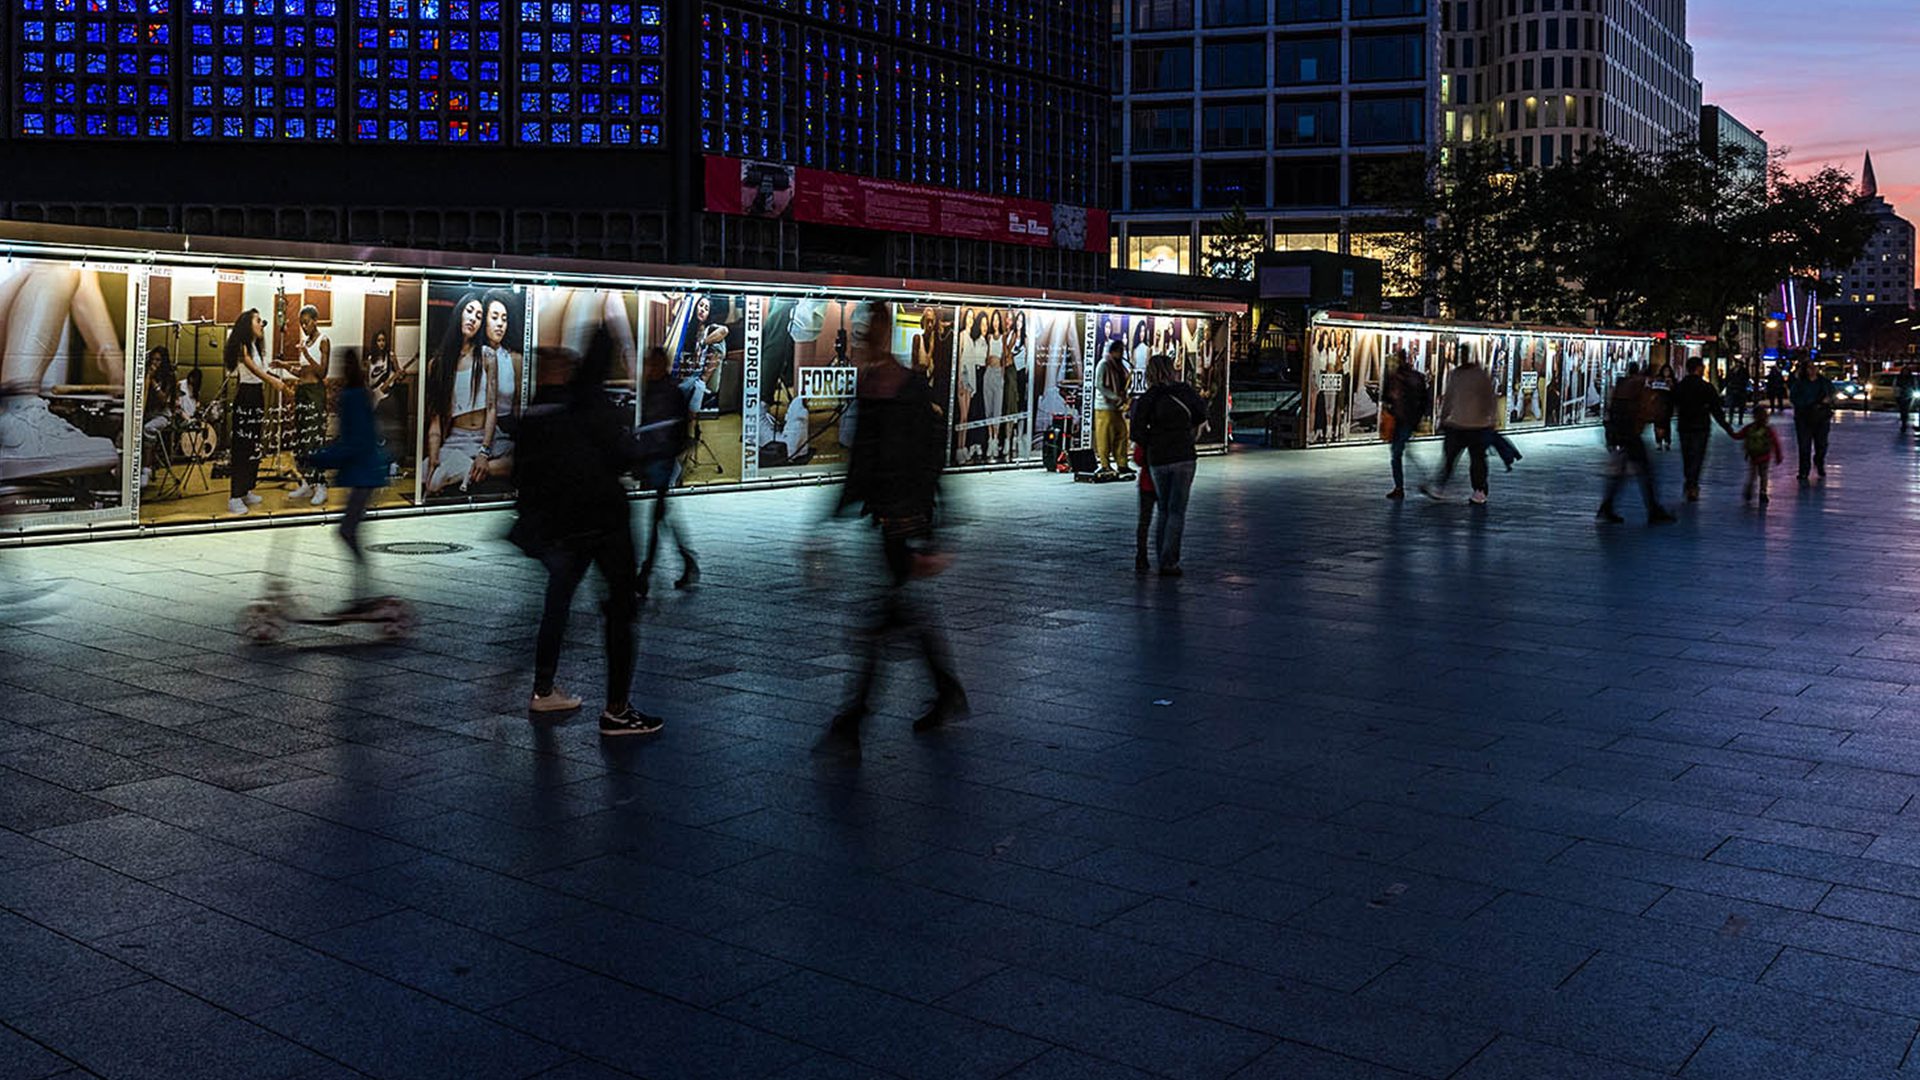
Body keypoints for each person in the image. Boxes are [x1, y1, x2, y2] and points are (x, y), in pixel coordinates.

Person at [817, 301, 964, 755]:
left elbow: (929, 464)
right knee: (905, 617)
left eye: (861, 336)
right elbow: (862, 462)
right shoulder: (874, 387)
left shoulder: (908, 388)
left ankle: (853, 719)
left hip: (907, 522)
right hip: (887, 521)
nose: (856, 345)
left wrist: (933, 535)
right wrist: (829, 519)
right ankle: (944, 692)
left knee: (883, 624)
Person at [511, 331, 660, 736]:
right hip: (606, 523)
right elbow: (622, 453)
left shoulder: (557, 406)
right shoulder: (595, 403)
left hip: (569, 524)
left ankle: (544, 687)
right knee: (619, 611)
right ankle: (617, 709)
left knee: (557, 602)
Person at [307, 348, 389, 613]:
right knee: (349, 532)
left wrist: (319, 458)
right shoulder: (361, 394)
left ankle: (362, 594)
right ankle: (362, 593)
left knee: (347, 531)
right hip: (367, 473)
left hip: (363, 474)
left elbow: (352, 443)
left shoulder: (351, 397)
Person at [1130, 353, 1208, 576]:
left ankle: (1160, 556)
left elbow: (1136, 431)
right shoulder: (1184, 391)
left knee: (1164, 509)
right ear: (1171, 369)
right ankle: (1169, 561)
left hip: (1159, 459)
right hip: (1183, 455)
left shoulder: (1148, 398)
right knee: (1177, 511)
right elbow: (1201, 413)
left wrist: (1152, 442)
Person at [635, 345, 698, 596]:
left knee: (658, 517)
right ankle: (686, 561)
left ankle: (646, 573)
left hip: (662, 459)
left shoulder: (668, 392)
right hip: (657, 458)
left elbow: (674, 429)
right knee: (662, 518)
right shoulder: (658, 390)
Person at [423, 292, 498, 496]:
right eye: (470, 311)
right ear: (459, 314)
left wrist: (484, 450)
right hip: (457, 439)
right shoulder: (437, 364)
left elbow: (492, 408)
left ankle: (477, 466)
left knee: (510, 460)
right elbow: (435, 420)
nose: (473, 318)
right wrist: (434, 458)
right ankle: (468, 469)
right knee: (430, 479)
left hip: (484, 436)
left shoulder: (486, 356)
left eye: (479, 316)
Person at [225, 308, 290, 516]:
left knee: (254, 444)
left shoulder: (255, 346)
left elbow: (260, 370)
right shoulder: (242, 346)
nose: (262, 324)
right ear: (247, 324)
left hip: (257, 396)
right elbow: (251, 368)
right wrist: (272, 380)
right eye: (258, 320)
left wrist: (277, 376)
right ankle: (235, 496)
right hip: (246, 397)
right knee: (242, 447)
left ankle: (246, 490)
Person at [1596, 362, 1676, 525]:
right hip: (1631, 433)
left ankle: (1607, 506)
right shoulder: (1641, 385)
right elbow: (1647, 410)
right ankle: (1653, 510)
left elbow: (1613, 408)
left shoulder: (1623, 384)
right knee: (1644, 471)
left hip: (1620, 431)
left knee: (1622, 471)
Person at [1420, 354, 1495, 505]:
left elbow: (1449, 399)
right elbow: (1490, 399)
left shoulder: (1457, 375)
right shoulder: (1480, 375)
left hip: (1458, 424)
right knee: (1477, 459)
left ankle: (1441, 487)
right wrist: (1491, 420)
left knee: (1451, 458)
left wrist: (1442, 419)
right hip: (1477, 425)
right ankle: (1479, 491)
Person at [283, 303, 331, 507]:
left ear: (315, 320)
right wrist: (284, 366)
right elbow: (302, 373)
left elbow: (322, 373)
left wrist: (307, 353)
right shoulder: (305, 341)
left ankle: (321, 486)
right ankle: (305, 482)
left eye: (307, 322)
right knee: (301, 441)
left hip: (315, 394)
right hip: (301, 393)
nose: (303, 327)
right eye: (301, 324)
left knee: (314, 441)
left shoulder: (323, 340)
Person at [1672, 356, 1735, 501]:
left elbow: (1673, 403)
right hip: (1700, 426)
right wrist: (1727, 427)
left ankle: (1689, 482)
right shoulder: (1706, 387)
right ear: (1699, 368)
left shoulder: (1681, 386)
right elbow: (1716, 409)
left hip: (1684, 425)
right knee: (1697, 457)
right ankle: (1692, 485)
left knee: (1687, 456)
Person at [1382, 349, 1429, 499]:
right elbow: (1424, 400)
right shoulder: (1416, 377)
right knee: (1403, 453)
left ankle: (1400, 486)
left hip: (1399, 419)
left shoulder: (1396, 378)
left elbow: (1387, 398)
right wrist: (1418, 418)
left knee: (1397, 454)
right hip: (1407, 420)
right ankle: (1416, 481)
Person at [1788, 358, 1834, 484]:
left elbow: (1832, 395)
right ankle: (1804, 470)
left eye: (1814, 367)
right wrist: (1807, 404)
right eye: (1810, 367)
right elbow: (1794, 398)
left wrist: (1827, 401)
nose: (1813, 370)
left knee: (1821, 445)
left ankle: (1819, 462)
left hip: (1821, 417)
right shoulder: (1800, 384)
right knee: (1804, 446)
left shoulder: (1824, 383)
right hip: (1804, 417)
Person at [1093, 340, 1131, 478]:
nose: (1122, 353)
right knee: (1105, 437)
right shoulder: (1103, 364)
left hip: (1116, 407)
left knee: (1121, 434)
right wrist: (1115, 396)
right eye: (1120, 350)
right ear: (1113, 351)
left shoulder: (1119, 366)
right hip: (1104, 406)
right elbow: (1099, 385)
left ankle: (1122, 464)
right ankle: (1105, 465)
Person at [1731, 404, 1784, 505]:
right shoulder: (1768, 430)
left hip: (1753, 455)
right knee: (1763, 475)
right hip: (1765, 456)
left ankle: (1749, 490)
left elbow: (1738, 436)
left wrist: (1730, 431)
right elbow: (1776, 443)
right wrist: (1778, 456)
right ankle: (1763, 492)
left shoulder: (1749, 428)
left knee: (1752, 474)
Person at [1133, 442, 1155, 574]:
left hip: (1147, 481)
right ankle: (1167, 557)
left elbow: (1138, 458)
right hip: (1168, 482)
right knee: (1167, 518)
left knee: (1144, 521)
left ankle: (1141, 556)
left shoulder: (1146, 434)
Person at [1646, 360, 1676, 451]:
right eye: (1665, 371)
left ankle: (1667, 441)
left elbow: (1675, 392)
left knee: (1666, 423)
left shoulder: (1672, 381)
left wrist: (1671, 385)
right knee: (1657, 423)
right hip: (1658, 405)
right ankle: (1658, 441)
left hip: (1667, 405)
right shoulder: (1657, 379)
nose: (1666, 373)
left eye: (1668, 371)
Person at [1726, 362, 1751, 426]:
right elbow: (1728, 378)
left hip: (1740, 390)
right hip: (1734, 390)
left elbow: (1746, 379)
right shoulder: (1732, 370)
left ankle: (1739, 419)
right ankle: (1731, 419)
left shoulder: (1743, 371)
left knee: (1740, 406)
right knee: (1732, 406)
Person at [1898, 363, 1920, 431]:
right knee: (1904, 410)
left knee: (1908, 409)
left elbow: (1914, 385)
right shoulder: (1900, 378)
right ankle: (1904, 423)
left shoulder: (1911, 378)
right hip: (1903, 395)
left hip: (1909, 395)